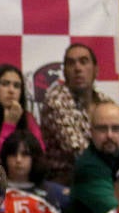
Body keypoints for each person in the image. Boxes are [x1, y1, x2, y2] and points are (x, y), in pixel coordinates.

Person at [38, 42, 108, 187]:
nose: (77, 68)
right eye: (71, 63)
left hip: (103, 174)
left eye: (83, 62)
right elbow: (78, 151)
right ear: (64, 72)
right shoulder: (57, 99)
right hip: (66, 181)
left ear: (96, 70)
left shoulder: (105, 101)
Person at [0, 128, 64, 213]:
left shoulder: (47, 195)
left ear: (35, 158)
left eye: (25, 154)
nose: (18, 160)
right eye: (13, 154)